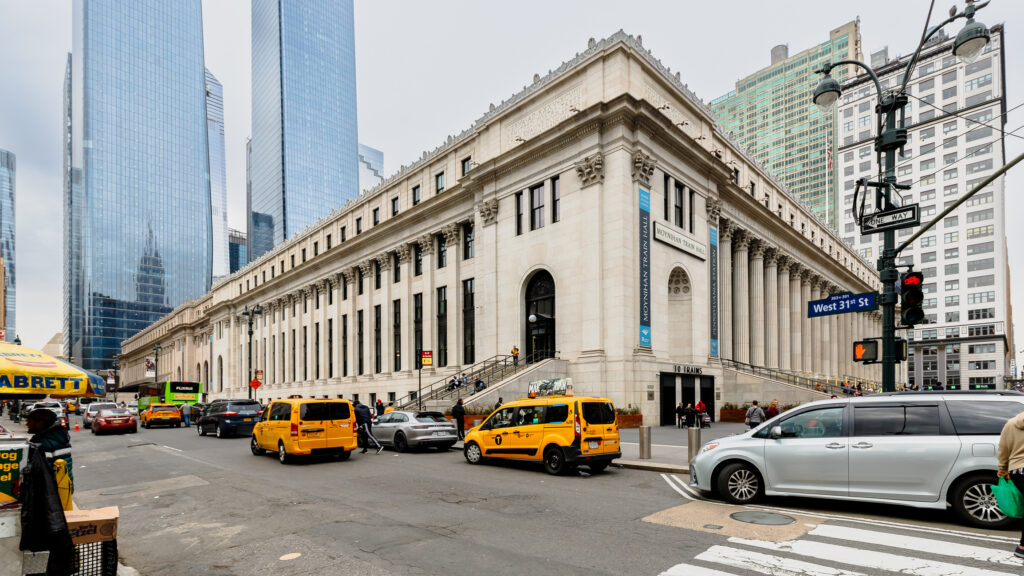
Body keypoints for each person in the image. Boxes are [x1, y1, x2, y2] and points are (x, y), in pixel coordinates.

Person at [26, 408, 74, 493]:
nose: (27, 424)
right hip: (64, 486)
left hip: (55, 491)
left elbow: (43, 471)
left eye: (29, 421)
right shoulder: (57, 436)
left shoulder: (44, 442)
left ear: (40, 423)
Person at [997, 408, 1024, 559]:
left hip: (1018, 470)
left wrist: (1002, 469)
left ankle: (1022, 547)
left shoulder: (1011, 423)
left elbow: (1003, 449)